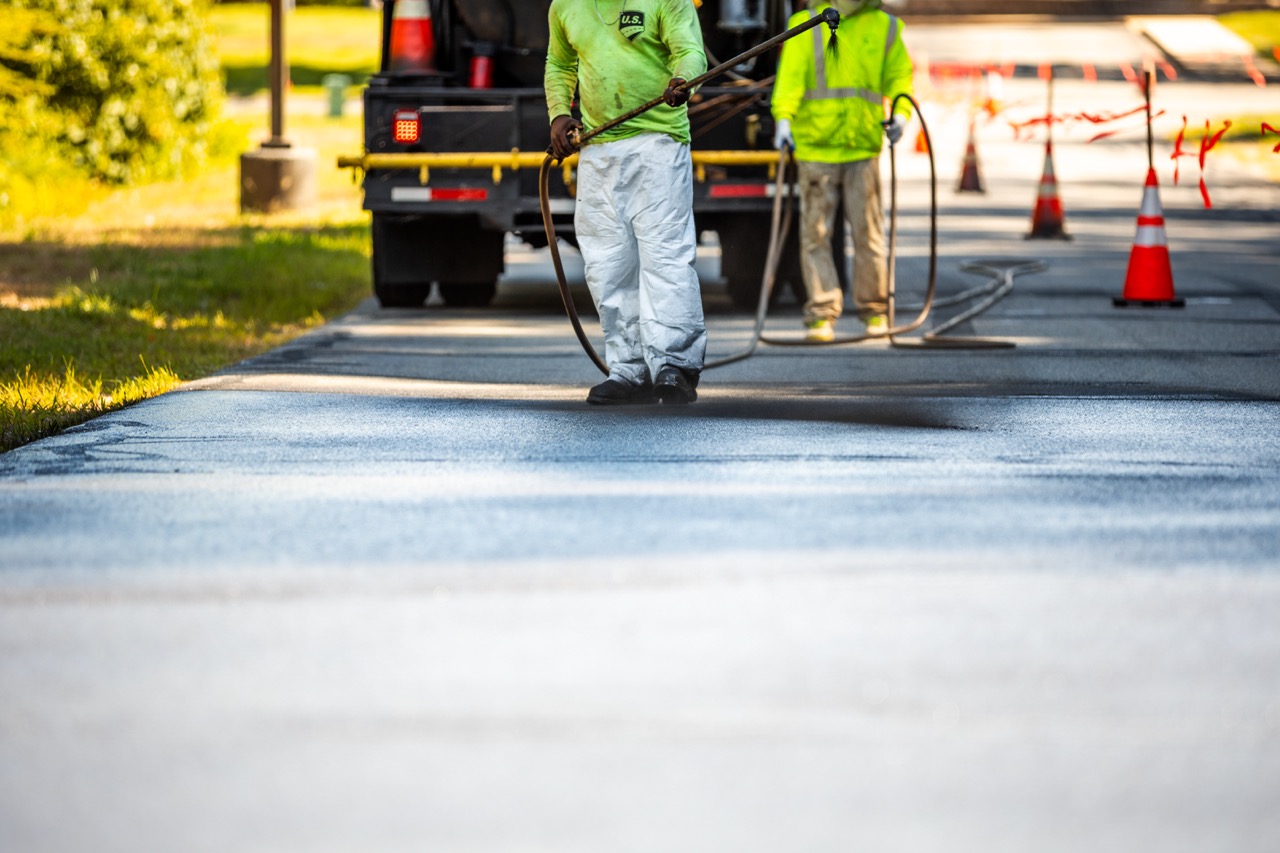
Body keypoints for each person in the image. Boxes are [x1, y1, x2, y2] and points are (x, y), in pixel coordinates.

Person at [545, 0, 709, 405]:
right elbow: (559, 64)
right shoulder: (565, 5)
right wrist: (559, 114)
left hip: (658, 143)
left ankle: (674, 366)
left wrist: (683, 80)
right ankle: (629, 367)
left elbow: (691, 52)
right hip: (599, 150)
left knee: (664, 256)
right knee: (607, 263)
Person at [771, 0, 913, 342]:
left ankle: (875, 311)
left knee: (869, 235)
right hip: (816, 147)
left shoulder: (886, 27)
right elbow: (790, 78)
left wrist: (902, 113)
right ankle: (822, 314)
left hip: (862, 147)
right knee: (816, 235)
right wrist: (783, 117)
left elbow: (899, 78)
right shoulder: (806, 23)